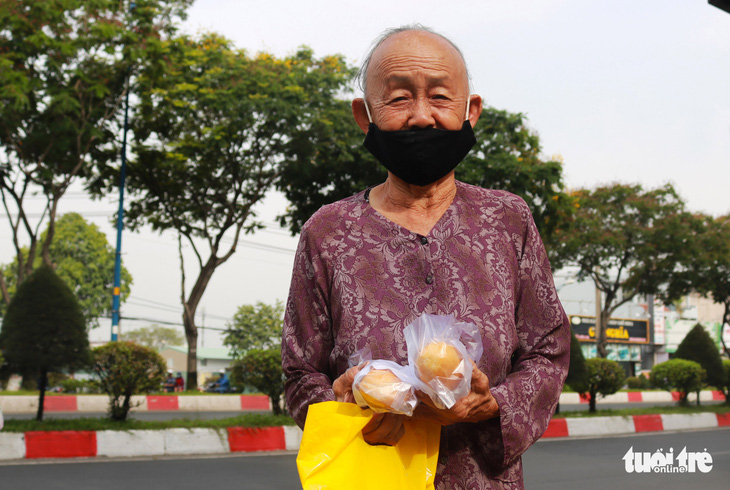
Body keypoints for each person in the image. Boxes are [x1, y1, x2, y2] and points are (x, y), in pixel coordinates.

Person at [282, 25, 570, 489]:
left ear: (470, 110)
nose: (420, 117)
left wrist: (493, 403)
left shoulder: (507, 219)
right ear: (365, 115)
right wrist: (340, 401)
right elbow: (299, 372)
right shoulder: (327, 232)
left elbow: (548, 350)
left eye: (439, 96)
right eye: (397, 99)